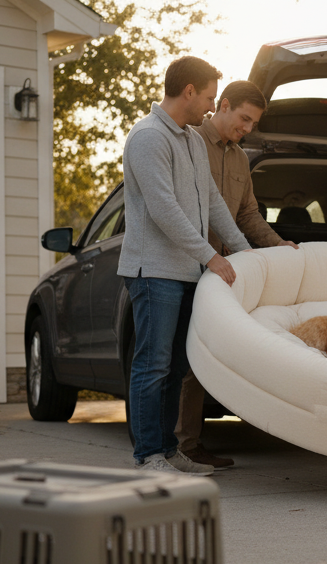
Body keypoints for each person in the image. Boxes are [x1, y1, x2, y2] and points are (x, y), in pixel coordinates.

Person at [119, 56, 251, 475]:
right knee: (152, 364)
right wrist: (210, 256)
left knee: (177, 366)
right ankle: (147, 456)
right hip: (153, 271)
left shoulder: (192, 140)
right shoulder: (147, 137)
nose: (213, 106)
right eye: (210, 97)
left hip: (187, 273)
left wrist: (244, 252)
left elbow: (212, 203)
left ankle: (170, 450)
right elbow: (164, 210)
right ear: (189, 91)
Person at [174, 80, 296, 469]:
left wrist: (278, 246)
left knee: (203, 357)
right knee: (177, 359)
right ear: (222, 105)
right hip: (182, 266)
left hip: (225, 273)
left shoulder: (242, 160)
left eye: (252, 124)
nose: (246, 128)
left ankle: (190, 445)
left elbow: (246, 216)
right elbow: (173, 206)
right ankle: (170, 446)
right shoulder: (187, 142)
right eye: (243, 119)